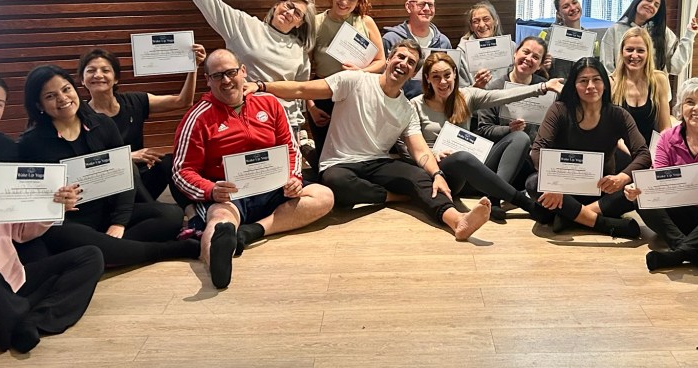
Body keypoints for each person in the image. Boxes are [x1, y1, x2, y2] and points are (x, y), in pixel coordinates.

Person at [258, 40, 491, 241]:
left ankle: (457, 220)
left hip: (378, 162)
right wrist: (261, 86)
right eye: (400, 57)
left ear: (413, 74)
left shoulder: (406, 109)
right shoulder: (354, 80)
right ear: (389, 59)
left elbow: (420, 151)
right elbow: (301, 89)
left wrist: (437, 174)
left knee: (419, 176)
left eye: (411, 62)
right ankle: (397, 197)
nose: (404, 63)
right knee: (336, 182)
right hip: (339, 163)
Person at [0, 97, 103, 352]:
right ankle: (15, 321)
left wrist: (54, 207)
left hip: (10, 282)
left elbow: (21, 233)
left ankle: (32, 321)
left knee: (89, 257)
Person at [172, 49, 334, 289]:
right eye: (217, 76)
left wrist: (293, 178)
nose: (226, 80)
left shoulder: (269, 103)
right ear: (208, 80)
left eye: (231, 72)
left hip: (274, 188)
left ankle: (253, 231)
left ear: (243, 71)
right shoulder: (197, 118)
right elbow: (181, 171)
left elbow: (290, 148)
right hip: (230, 195)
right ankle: (217, 261)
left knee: (324, 196)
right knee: (220, 220)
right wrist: (211, 190)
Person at [16, 65, 199, 268]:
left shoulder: (102, 124)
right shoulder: (30, 143)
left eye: (66, 89)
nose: (62, 98)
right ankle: (169, 250)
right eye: (50, 96)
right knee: (60, 234)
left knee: (171, 215)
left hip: (105, 212)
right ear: (39, 105)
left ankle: (106, 253)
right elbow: (27, 195)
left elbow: (124, 174)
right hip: (70, 222)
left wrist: (119, 222)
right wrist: (53, 199)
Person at [172, 0, 316, 141]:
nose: (289, 12)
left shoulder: (300, 51)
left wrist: (300, 129)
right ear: (277, 5)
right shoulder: (244, 25)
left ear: (300, 23)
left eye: (297, 13)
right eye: (288, 5)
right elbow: (210, 3)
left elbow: (298, 94)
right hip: (247, 119)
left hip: (285, 124)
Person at [409, 51, 562, 221]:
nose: (443, 81)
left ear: (454, 74)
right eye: (436, 77)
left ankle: (494, 198)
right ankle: (527, 205)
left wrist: (543, 87)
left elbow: (503, 95)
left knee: (520, 137)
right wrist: (433, 153)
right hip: (444, 173)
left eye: (447, 75)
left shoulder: (466, 95)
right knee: (461, 158)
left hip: (476, 169)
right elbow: (406, 146)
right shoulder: (416, 105)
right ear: (427, 78)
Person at [625, 78, 698, 271]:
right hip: (676, 212)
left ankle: (678, 253)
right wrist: (638, 188)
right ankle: (690, 248)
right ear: (681, 107)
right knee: (639, 197)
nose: (696, 108)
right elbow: (657, 176)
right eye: (690, 102)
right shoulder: (667, 137)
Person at [528, 57, 650, 237]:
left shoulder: (619, 115)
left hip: (602, 191)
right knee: (533, 183)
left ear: (605, 83)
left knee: (640, 187)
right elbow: (537, 150)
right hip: (563, 191)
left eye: (596, 80)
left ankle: (571, 216)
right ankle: (603, 224)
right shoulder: (559, 110)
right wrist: (552, 182)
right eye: (583, 81)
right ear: (574, 86)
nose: (590, 86)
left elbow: (643, 155)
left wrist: (622, 178)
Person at [78, 44, 206, 201]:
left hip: (142, 178)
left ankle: (189, 209)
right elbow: (83, 163)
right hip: (108, 186)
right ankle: (147, 209)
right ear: (82, 80)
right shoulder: (78, 115)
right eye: (91, 71)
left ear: (116, 78)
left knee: (169, 162)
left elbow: (183, 102)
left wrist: (194, 67)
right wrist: (128, 157)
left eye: (105, 70)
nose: (98, 75)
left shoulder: (134, 101)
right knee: (133, 172)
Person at [307, 0, 386, 151]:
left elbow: (381, 61)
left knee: (356, 152)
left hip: (357, 96)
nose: (344, 2)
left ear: (359, 1)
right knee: (324, 153)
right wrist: (311, 108)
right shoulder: (315, 23)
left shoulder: (365, 22)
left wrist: (360, 72)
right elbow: (303, 70)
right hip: (324, 96)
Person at [475, 36, 551, 150]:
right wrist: (509, 129)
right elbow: (484, 130)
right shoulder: (494, 89)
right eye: (526, 52)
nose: (529, 58)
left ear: (540, 65)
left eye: (535, 57)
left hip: (535, 153)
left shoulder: (546, 90)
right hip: (503, 151)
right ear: (515, 53)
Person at [601, 0, 698, 75]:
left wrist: (689, 34)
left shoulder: (663, 32)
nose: (651, 5)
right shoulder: (615, 30)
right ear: (638, 0)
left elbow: (676, 67)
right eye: (648, 0)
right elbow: (607, 68)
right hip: (621, 87)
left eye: (656, 5)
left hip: (655, 88)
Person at [381, 0, 452, 99]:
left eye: (430, 5)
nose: (427, 9)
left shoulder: (443, 42)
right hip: (396, 103)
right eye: (421, 4)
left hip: (433, 104)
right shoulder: (391, 39)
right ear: (408, 7)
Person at [608, 27, 671, 146]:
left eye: (640, 50)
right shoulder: (611, 83)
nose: (634, 55)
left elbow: (665, 128)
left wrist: (661, 152)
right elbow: (608, 131)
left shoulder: (659, 80)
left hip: (650, 151)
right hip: (621, 151)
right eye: (629, 50)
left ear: (648, 53)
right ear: (621, 52)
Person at [539, 0, 599, 80]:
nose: (573, 8)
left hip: (582, 86)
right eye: (566, 6)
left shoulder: (592, 39)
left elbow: (597, 68)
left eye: (574, 3)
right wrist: (543, 66)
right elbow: (536, 68)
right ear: (559, 14)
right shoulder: (546, 35)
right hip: (554, 86)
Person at [457, 1, 513, 89]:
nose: (482, 25)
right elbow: (461, 91)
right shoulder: (461, 54)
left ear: (495, 21)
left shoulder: (511, 47)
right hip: (477, 97)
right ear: (471, 27)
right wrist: (477, 86)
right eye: (476, 21)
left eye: (486, 19)